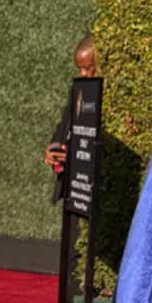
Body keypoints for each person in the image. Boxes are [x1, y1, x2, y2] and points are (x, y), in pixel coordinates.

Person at [44, 34, 98, 199]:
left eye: (88, 68)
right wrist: (54, 146)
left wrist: (77, 157)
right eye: (79, 68)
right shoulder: (78, 90)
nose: (82, 73)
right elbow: (64, 124)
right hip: (71, 186)